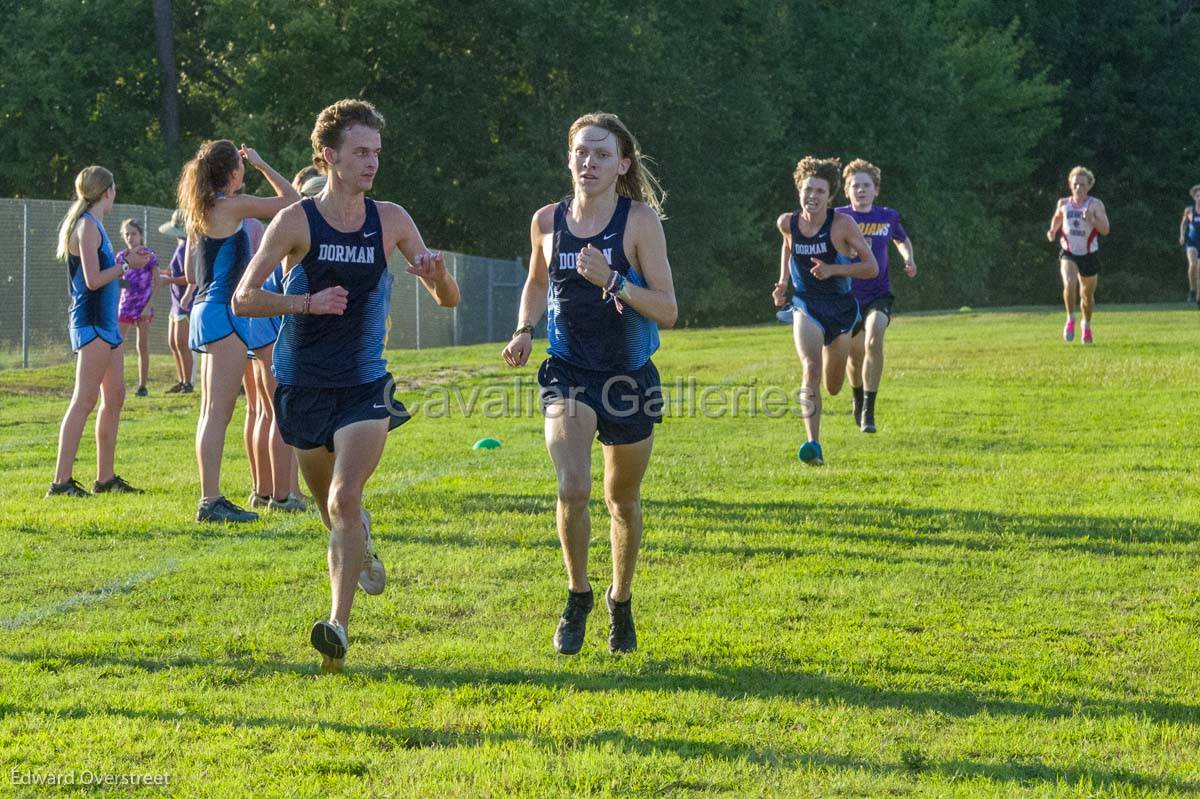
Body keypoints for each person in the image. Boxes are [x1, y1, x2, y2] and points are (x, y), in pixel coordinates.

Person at [233, 99, 460, 672]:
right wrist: (306, 302)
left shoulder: (392, 219)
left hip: (364, 385)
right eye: (361, 152)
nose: (372, 163)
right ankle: (360, 544)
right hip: (302, 385)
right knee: (328, 508)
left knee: (343, 496)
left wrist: (437, 277)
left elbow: (447, 300)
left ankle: (336, 627)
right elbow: (244, 298)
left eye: (377, 153)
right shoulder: (295, 221)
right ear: (328, 157)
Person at [502, 112, 678, 656]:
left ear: (623, 163)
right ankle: (577, 595)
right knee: (573, 488)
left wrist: (614, 281)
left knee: (621, 499)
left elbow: (668, 311)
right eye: (581, 151)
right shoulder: (546, 221)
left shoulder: (639, 222)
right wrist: (525, 327)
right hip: (568, 372)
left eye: (602, 154)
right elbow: (535, 281)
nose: (589, 162)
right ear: (569, 158)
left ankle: (619, 601)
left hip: (629, 377)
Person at [178, 139, 299, 522]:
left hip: (203, 310)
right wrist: (263, 164)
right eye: (242, 168)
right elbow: (292, 201)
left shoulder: (201, 209)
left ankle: (209, 498)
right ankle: (210, 502)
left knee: (209, 413)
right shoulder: (231, 205)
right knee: (218, 414)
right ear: (233, 173)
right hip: (224, 314)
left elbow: (189, 274)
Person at [772, 156, 878, 466]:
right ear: (799, 191)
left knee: (833, 386)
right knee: (810, 368)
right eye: (808, 190)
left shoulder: (842, 225)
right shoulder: (787, 222)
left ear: (830, 196)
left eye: (819, 191)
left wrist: (832, 269)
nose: (812, 197)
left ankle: (845, 382)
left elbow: (870, 267)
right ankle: (813, 445)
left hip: (841, 310)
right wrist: (782, 283)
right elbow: (788, 245)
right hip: (806, 304)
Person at [48, 166, 143, 497]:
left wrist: (125, 263)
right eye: (114, 188)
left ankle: (105, 479)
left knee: (115, 396)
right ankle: (60, 483)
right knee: (84, 399)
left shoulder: (95, 224)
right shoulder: (87, 226)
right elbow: (93, 279)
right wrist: (127, 265)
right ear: (107, 192)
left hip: (107, 324)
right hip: (91, 323)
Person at [838, 159, 917, 434]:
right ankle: (858, 398)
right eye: (855, 186)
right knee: (854, 357)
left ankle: (869, 412)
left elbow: (901, 239)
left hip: (879, 293)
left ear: (876, 190)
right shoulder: (838, 217)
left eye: (865, 185)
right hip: (847, 297)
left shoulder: (888, 216)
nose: (860, 190)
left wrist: (908, 259)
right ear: (847, 191)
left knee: (874, 339)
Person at [1046, 166, 1110, 344]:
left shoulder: (1095, 205)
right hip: (1069, 252)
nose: (1078, 188)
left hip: (1089, 254)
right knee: (1069, 283)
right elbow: (1058, 217)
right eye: (1075, 184)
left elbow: (1105, 230)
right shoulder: (1063, 203)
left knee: (1087, 297)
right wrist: (1052, 230)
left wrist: (1091, 219)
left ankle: (1086, 325)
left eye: (1082, 185)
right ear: (1069, 185)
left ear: (1089, 186)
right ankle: (1070, 319)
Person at [115, 219, 158, 397]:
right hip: (125, 306)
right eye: (127, 234)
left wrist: (148, 305)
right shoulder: (121, 256)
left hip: (143, 307)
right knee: (116, 344)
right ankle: (116, 382)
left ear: (140, 235)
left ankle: (142, 385)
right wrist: (125, 287)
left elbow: (157, 281)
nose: (130, 237)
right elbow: (118, 280)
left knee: (142, 346)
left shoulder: (148, 256)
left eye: (133, 234)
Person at [158, 210, 194, 393]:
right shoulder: (180, 245)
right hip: (175, 301)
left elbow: (190, 278)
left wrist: (169, 280)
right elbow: (175, 272)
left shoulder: (188, 246)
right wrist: (162, 273)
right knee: (173, 343)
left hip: (185, 302)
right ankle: (181, 380)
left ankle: (188, 382)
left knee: (182, 342)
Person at [1179, 184, 1200, 305]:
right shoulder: (1189, 210)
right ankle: (1192, 290)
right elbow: (1183, 223)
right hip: (1191, 242)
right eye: (1197, 196)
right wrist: (1182, 235)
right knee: (1193, 265)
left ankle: (1198, 297)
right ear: (1194, 197)